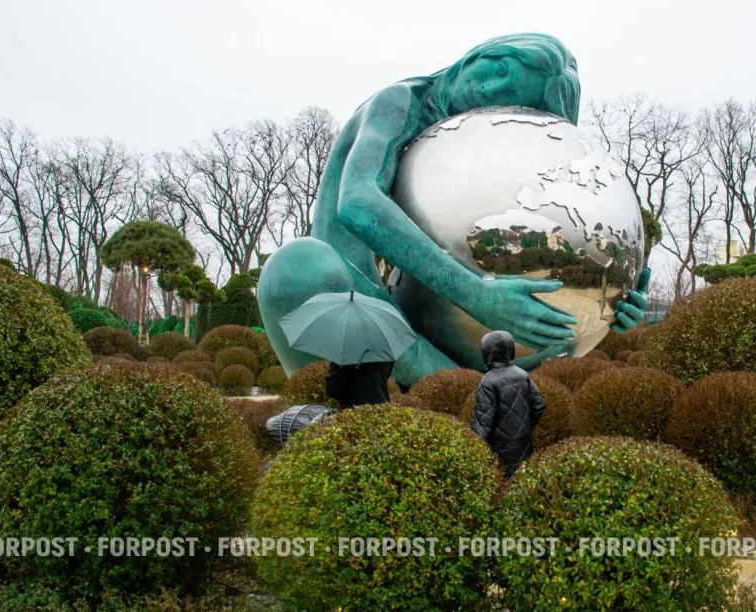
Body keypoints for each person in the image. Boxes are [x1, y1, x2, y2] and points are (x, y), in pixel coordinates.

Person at [257, 33, 649, 389]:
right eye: (499, 69)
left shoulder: (469, 147)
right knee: (297, 263)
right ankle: (465, 397)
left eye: (506, 95)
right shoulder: (401, 101)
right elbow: (357, 203)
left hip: (412, 325)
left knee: (489, 389)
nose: (487, 87)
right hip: (350, 303)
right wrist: (477, 295)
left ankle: (470, 398)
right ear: (485, 51)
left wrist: (608, 303)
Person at [470, 331, 545, 477]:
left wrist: (472, 451)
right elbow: (538, 405)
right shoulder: (522, 375)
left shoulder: (488, 382)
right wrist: (524, 427)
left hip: (499, 449)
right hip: (524, 443)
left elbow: (481, 425)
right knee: (523, 480)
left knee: (503, 482)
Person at [324, 360, 394, 409]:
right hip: (382, 408)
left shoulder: (345, 352)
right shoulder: (385, 351)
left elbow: (332, 390)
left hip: (351, 412)